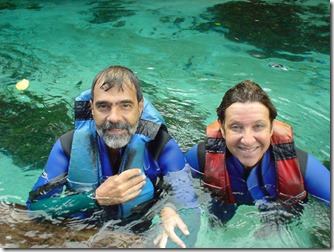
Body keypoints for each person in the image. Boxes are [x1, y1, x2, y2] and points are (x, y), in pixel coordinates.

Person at [27, 65, 199, 248]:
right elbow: (34, 209)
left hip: (138, 232)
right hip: (81, 234)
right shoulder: (68, 146)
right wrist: (95, 198)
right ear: (92, 108)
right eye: (103, 106)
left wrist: (169, 208)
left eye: (125, 105)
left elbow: (190, 209)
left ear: (140, 107)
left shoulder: (161, 147)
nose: (114, 117)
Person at [185, 80, 329, 223]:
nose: (247, 140)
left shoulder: (301, 166)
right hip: (220, 203)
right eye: (236, 127)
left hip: (280, 212)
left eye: (258, 126)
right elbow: (170, 193)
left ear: (272, 128)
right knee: (216, 222)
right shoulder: (200, 158)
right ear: (222, 129)